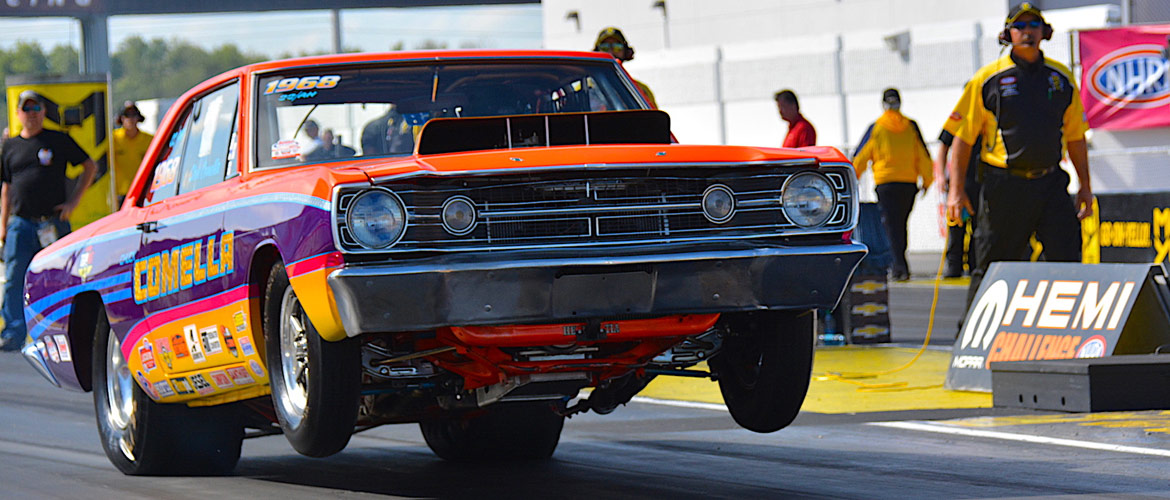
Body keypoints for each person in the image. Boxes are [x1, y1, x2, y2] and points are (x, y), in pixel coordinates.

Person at [945, 2, 1093, 313]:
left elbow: (1076, 136)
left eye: (1033, 26)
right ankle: (972, 337)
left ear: (1045, 33)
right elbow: (961, 139)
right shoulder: (988, 79)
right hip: (1004, 187)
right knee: (992, 265)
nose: (1027, 33)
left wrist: (1085, 187)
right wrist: (955, 191)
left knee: (1067, 257)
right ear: (1007, 34)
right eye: (1020, 27)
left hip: (1050, 182)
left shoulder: (1061, 77)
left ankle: (1066, 330)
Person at [0, 90, 96, 351]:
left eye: (36, 109)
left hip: (53, 222)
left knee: (59, 277)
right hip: (21, 222)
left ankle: (65, 331)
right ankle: (14, 332)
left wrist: (73, 202)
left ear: (43, 112)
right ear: (18, 113)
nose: (31, 114)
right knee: (14, 277)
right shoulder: (9, 146)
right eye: (26, 109)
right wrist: (3, 224)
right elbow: (6, 187)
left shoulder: (58, 140)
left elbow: (90, 166)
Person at [853, 88, 933, 282]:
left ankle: (898, 266)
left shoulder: (877, 127)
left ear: (883, 104)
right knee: (901, 224)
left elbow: (861, 156)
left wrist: (853, 177)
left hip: (886, 183)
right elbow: (923, 155)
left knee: (890, 225)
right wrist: (927, 180)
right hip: (908, 184)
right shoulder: (911, 126)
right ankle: (900, 264)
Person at [936, 120, 982, 278]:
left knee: (980, 227)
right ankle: (954, 266)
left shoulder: (987, 115)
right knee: (956, 225)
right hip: (959, 182)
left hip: (982, 181)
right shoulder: (961, 117)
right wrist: (941, 175)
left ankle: (975, 264)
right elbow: (943, 146)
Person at [593, 27, 658, 108]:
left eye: (617, 47)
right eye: (605, 47)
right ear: (597, 51)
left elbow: (652, 118)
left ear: (625, 51)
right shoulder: (583, 89)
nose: (611, 52)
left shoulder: (641, 90)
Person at [111, 101, 153, 204]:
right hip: (120, 193)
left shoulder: (149, 139)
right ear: (121, 118)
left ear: (138, 118)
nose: (130, 119)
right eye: (126, 115)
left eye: (133, 115)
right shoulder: (113, 139)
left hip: (143, 192)